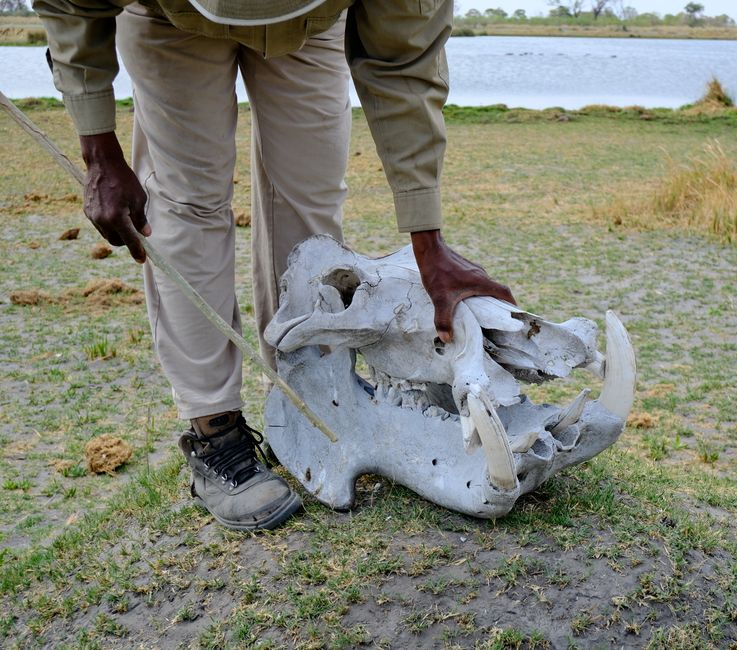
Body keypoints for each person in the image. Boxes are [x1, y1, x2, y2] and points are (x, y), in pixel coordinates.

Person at [34, 0, 515, 531]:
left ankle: (307, 397)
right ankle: (215, 432)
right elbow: (68, 5)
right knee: (185, 207)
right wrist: (98, 150)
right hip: (168, 17)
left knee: (311, 214)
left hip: (313, 23)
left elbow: (404, 60)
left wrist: (429, 241)